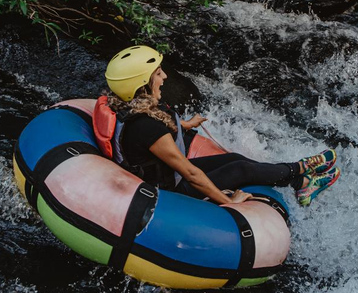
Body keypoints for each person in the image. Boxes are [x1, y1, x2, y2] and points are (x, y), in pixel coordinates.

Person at [95, 45, 340, 206]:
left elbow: (154, 139)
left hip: (167, 176)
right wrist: (230, 202)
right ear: (141, 83)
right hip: (168, 194)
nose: (165, 77)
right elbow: (190, 173)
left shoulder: (132, 107)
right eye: (158, 74)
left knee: (232, 157)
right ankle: (301, 172)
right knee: (241, 169)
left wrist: (187, 125)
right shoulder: (147, 127)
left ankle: (300, 183)